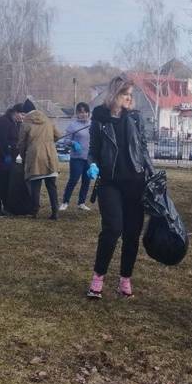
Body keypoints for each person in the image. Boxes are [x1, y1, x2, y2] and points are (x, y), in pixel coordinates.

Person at [85, 76, 154, 299]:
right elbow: (93, 148)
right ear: (115, 94)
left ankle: (125, 279)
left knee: (132, 234)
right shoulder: (100, 116)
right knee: (112, 229)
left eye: (131, 95)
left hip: (136, 182)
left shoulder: (135, 117)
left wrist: (151, 174)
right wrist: (92, 164)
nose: (129, 99)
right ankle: (98, 277)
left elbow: (143, 149)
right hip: (109, 182)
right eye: (126, 94)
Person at [16, 98, 61, 220]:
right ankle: (55, 211)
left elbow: (21, 143)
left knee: (35, 185)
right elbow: (58, 135)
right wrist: (49, 142)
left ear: (25, 112)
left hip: (34, 156)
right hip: (50, 156)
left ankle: (35, 211)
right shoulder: (47, 119)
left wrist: (24, 156)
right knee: (51, 186)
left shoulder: (25, 122)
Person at [0, 103, 24, 216]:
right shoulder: (3, 122)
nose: (23, 117)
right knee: (0, 183)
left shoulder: (14, 123)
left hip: (8, 158)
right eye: (22, 114)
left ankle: (6, 206)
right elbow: (1, 141)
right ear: (15, 112)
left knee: (6, 182)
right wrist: (7, 154)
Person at [58, 102, 92, 211]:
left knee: (86, 181)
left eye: (85, 112)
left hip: (89, 158)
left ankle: (81, 203)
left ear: (88, 113)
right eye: (81, 112)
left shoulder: (92, 125)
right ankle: (65, 202)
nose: (83, 114)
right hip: (77, 158)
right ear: (77, 113)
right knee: (73, 179)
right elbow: (66, 140)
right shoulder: (73, 126)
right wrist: (73, 143)